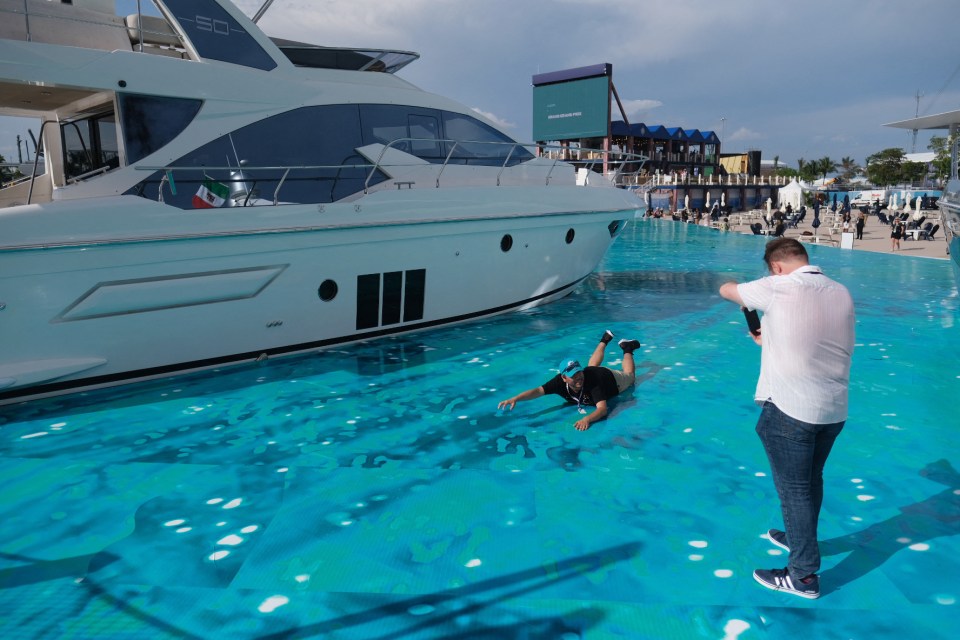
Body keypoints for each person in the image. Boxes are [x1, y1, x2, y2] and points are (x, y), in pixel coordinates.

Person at [718, 237, 855, 600]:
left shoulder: (778, 285)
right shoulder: (840, 291)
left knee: (794, 490)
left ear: (776, 266)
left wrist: (743, 288)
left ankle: (803, 576)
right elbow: (817, 336)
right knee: (811, 480)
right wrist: (772, 338)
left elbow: (727, 290)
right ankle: (800, 539)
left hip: (792, 410)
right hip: (833, 410)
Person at [497, 331, 640, 431]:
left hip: (610, 379)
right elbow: (538, 391)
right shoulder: (558, 382)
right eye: (573, 375)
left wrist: (587, 420)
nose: (578, 377)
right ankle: (605, 339)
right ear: (564, 377)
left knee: (631, 376)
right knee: (591, 367)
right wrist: (516, 398)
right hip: (592, 371)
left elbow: (602, 409)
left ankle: (627, 348)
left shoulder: (592, 383)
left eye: (579, 372)